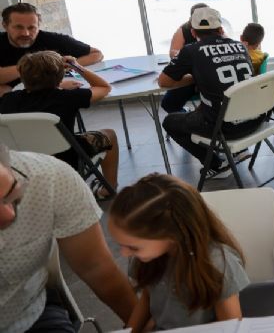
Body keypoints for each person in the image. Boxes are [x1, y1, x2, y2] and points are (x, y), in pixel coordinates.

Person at [0, 144, 137, 332]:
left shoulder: (49, 179)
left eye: (12, 193)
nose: (9, 215)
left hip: (27, 314)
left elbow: (95, 266)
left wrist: (143, 325)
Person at [108, 173, 250, 331]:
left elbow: (231, 327)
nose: (124, 254)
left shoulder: (217, 264)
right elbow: (148, 298)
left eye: (133, 247)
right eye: (120, 245)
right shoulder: (148, 259)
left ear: (172, 234)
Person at [0, 51, 120, 199]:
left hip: (23, 162)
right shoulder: (67, 97)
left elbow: (31, 94)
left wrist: (56, 86)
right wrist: (76, 66)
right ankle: (108, 188)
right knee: (110, 134)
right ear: (60, 75)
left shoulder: (8, 99)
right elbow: (104, 87)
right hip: (66, 159)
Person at [160, 7, 263, 179]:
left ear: (193, 32)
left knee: (170, 121)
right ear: (221, 29)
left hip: (225, 128)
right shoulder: (240, 46)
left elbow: (164, 82)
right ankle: (232, 153)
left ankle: (217, 164)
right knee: (205, 108)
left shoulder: (191, 51)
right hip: (255, 120)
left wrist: (194, 77)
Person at [0, 2, 104, 94]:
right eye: (19, 27)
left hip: (44, 95)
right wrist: (43, 68)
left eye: (32, 27)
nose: (26, 33)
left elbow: (97, 54)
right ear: (5, 26)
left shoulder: (52, 39)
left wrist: (66, 65)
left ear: (38, 25)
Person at [161, 2, 208, 113]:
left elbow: (163, 81)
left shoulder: (217, 30)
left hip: (209, 78)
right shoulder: (184, 30)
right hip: (192, 75)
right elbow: (173, 52)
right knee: (169, 103)